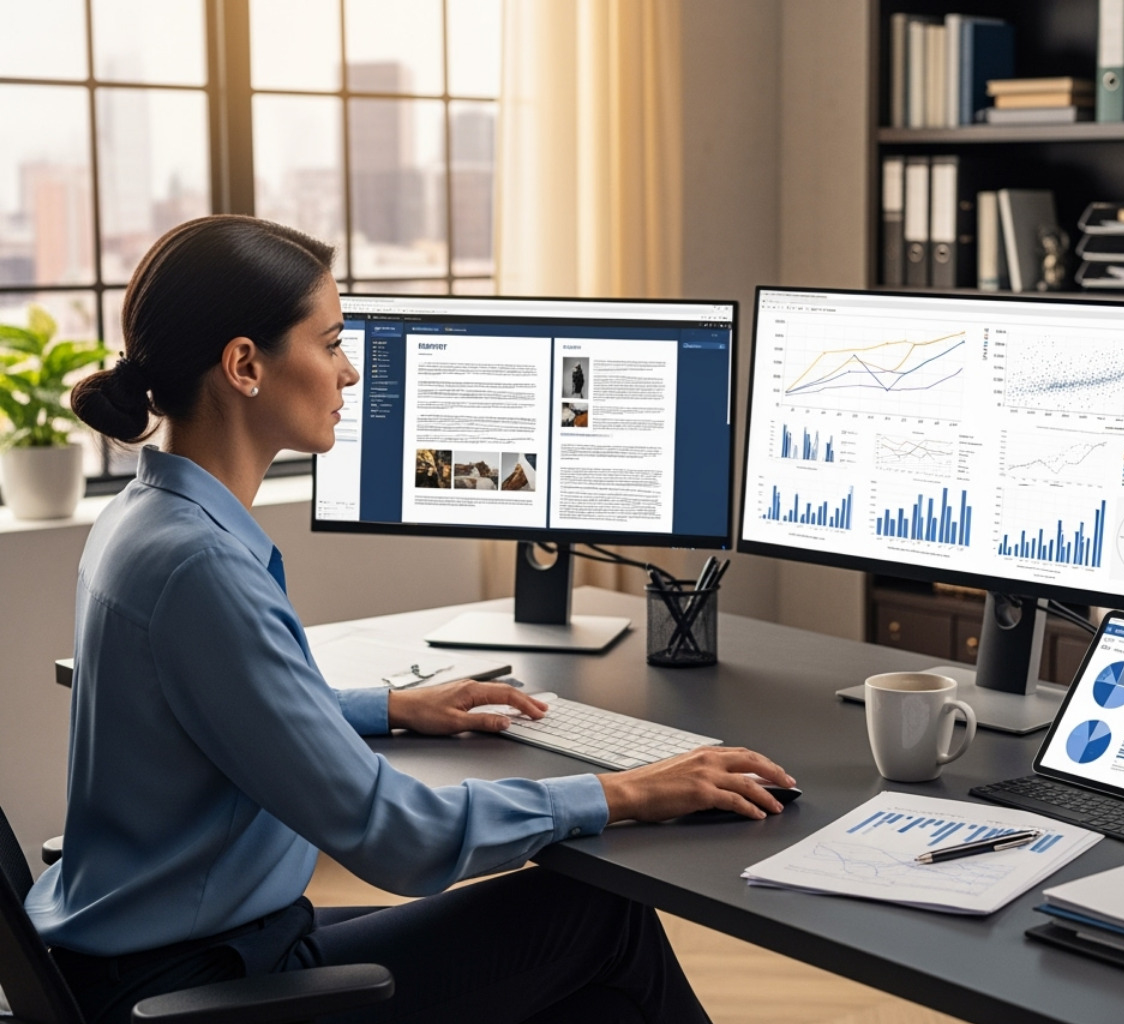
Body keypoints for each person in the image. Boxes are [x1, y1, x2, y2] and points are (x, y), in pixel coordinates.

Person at [30, 215, 795, 1024]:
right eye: (330, 344)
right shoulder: (200, 566)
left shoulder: (145, 517)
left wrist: (392, 706)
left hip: (151, 950)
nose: (351, 371)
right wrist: (624, 791)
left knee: (581, 980)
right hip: (195, 981)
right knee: (604, 923)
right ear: (245, 365)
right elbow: (395, 836)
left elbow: (235, 709)